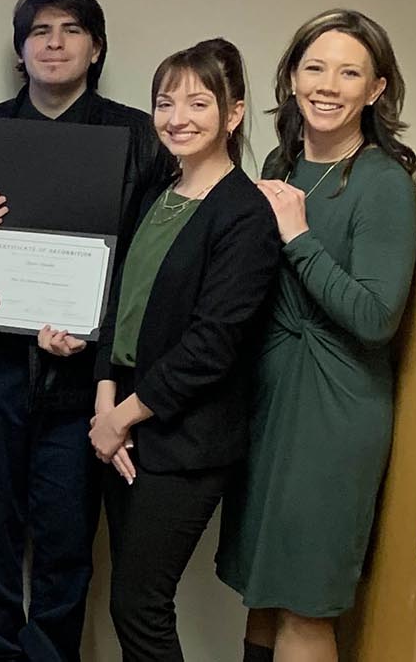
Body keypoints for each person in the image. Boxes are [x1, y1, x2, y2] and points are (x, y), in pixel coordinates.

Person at [0, 0, 176, 662]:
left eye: (72, 30)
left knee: (68, 543)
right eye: (40, 30)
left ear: (96, 48)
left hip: (83, 385)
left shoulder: (139, 141)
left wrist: (92, 328)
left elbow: (152, 266)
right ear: (20, 49)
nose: (55, 42)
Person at [60, 38, 280, 661]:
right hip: (124, 422)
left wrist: (122, 418)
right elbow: (119, 303)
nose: (176, 118)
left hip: (183, 440)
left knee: (140, 606)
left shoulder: (244, 213)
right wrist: (106, 403)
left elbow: (212, 346)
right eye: (164, 102)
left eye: (198, 103)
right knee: (129, 603)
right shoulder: (159, 192)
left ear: (233, 114)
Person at [217, 10, 416, 662]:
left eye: (350, 71)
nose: (329, 84)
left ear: (376, 89)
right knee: (262, 594)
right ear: (292, 77)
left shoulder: (383, 184)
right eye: (315, 67)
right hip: (271, 403)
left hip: (334, 411)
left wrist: (299, 237)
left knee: (306, 603)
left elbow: (374, 315)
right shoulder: (283, 161)